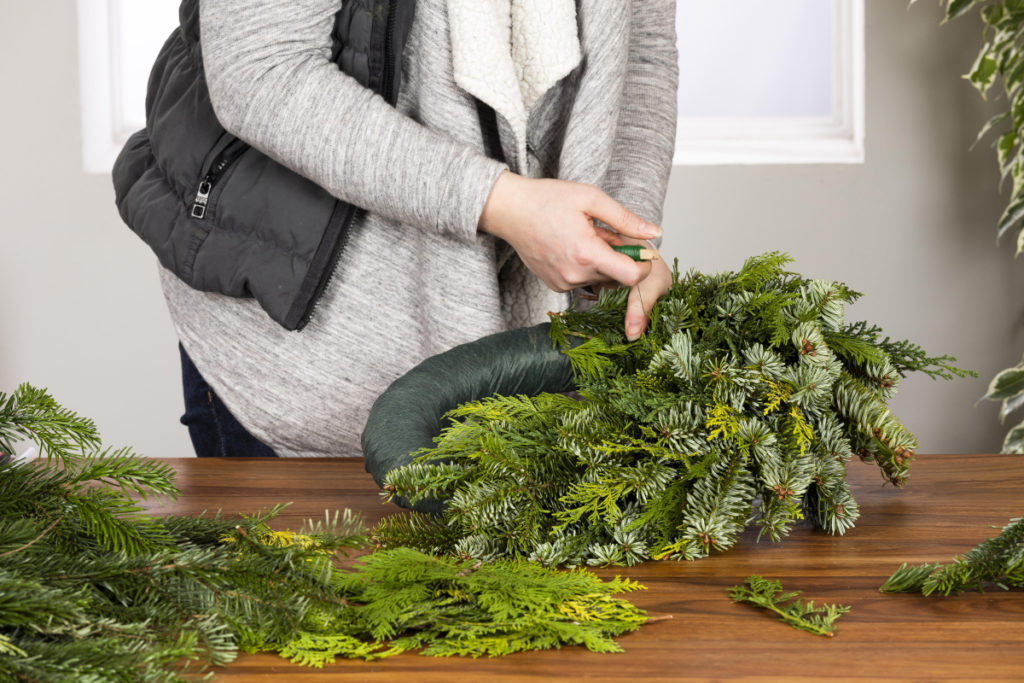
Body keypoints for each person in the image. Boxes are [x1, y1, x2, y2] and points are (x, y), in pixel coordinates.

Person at [116, 0, 679, 458]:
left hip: (533, 368)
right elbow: (261, 69)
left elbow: (640, 51)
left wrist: (620, 236)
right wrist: (499, 203)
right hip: (305, 367)